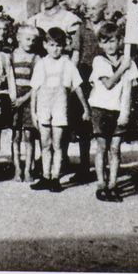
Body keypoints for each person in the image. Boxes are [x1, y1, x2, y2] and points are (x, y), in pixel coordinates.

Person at [30, 27, 89, 193]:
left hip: (59, 107)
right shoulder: (41, 64)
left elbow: (77, 87)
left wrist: (85, 107)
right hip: (43, 107)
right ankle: (45, 176)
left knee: (58, 144)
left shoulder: (68, 64)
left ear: (64, 46)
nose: (55, 49)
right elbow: (34, 90)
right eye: (51, 45)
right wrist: (33, 112)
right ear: (45, 45)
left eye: (58, 45)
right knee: (45, 143)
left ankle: (55, 177)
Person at [87, 21, 138, 202]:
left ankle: (113, 184)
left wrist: (126, 113)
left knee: (115, 148)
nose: (110, 45)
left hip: (119, 110)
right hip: (101, 109)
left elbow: (129, 90)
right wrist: (123, 68)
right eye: (105, 41)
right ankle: (101, 184)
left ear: (120, 41)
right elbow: (108, 84)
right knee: (102, 147)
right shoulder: (99, 61)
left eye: (113, 41)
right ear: (100, 44)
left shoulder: (128, 62)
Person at [7, 24, 40, 182]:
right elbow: (10, 79)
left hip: (28, 99)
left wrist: (23, 99)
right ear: (18, 38)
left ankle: (28, 169)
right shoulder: (11, 57)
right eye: (27, 39)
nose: (30, 42)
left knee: (29, 135)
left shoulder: (36, 58)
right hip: (15, 100)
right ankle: (17, 169)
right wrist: (14, 98)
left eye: (33, 40)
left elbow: (36, 84)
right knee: (16, 135)